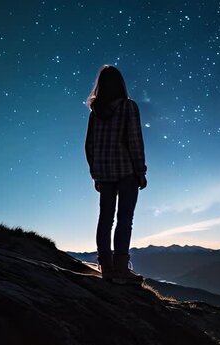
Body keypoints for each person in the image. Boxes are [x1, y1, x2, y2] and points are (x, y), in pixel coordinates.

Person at [84, 65, 147, 285]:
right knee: (124, 220)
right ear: (120, 84)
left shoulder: (96, 113)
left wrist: (95, 173)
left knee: (105, 219)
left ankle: (105, 267)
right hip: (126, 172)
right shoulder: (128, 107)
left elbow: (89, 146)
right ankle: (121, 268)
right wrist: (141, 171)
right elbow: (134, 141)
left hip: (104, 174)